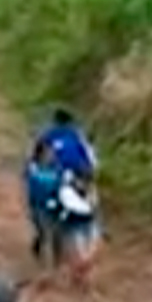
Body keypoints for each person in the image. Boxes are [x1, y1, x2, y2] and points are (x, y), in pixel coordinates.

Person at [54, 170, 102, 291]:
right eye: (83, 181)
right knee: (80, 255)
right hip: (74, 226)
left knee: (90, 254)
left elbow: (94, 207)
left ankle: (82, 277)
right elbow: (75, 208)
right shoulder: (66, 191)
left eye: (88, 181)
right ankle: (80, 278)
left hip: (89, 224)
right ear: (76, 180)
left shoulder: (91, 190)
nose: (85, 184)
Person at [23, 140, 64, 269]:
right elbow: (33, 184)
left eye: (52, 153)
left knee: (57, 234)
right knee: (45, 233)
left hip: (55, 205)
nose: (50, 155)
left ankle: (57, 263)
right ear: (40, 154)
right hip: (38, 206)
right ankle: (42, 260)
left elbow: (61, 184)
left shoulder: (57, 167)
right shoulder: (33, 168)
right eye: (47, 152)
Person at [35, 107, 97, 181]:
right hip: (81, 168)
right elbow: (89, 153)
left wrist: (36, 161)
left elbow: (39, 148)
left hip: (61, 168)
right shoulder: (77, 133)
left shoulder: (51, 132)